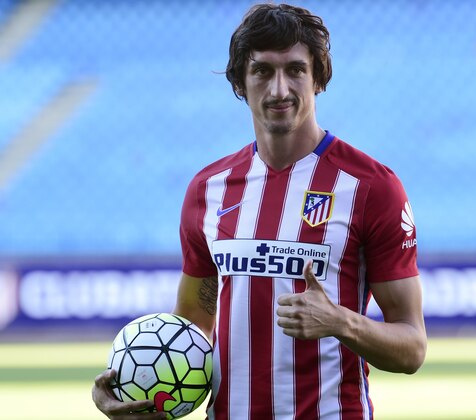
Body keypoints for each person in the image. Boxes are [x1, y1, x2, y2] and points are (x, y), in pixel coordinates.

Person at [92, 3, 427, 419]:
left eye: (295, 70)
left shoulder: (371, 187)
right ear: (240, 83)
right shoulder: (208, 190)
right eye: (263, 71)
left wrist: (342, 322)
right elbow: (191, 332)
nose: (279, 90)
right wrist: (136, 389)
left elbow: (412, 348)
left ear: (318, 78)